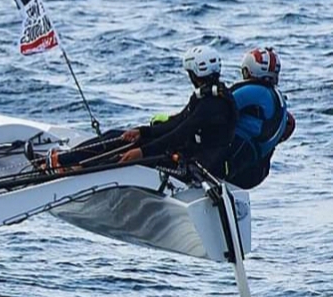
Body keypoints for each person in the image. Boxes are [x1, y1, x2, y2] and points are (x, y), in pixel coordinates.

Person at [40, 45, 237, 175]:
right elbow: (177, 122)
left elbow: (179, 134)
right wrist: (142, 132)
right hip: (184, 152)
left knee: (119, 158)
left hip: (194, 164)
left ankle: (70, 168)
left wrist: (142, 152)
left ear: (194, 73)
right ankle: (64, 160)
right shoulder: (205, 97)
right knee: (117, 136)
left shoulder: (213, 105)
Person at [223, 47, 295, 189]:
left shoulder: (254, 92)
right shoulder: (278, 100)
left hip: (234, 163)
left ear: (248, 71)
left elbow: (216, 109)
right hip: (257, 172)